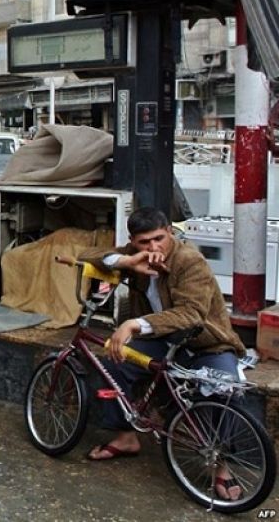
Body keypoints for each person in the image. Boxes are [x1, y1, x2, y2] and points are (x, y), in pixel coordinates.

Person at [79, 207, 246, 501]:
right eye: (144, 242)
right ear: (134, 241)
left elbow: (191, 314)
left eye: (159, 238)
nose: (153, 247)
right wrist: (128, 261)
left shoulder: (189, 260)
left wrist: (134, 324)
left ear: (170, 232)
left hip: (206, 343)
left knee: (224, 388)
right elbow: (90, 256)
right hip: (164, 341)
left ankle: (221, 466)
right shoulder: (137, 255)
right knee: (114, 362)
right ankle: (125, 437)